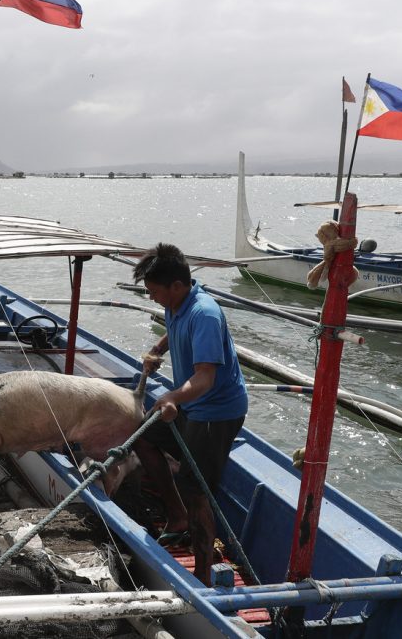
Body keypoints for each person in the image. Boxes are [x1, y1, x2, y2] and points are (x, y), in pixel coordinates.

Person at [132, 242, 248, 584]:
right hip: (191, 404)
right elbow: (174, 326)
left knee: (196, 488)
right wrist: (157, 348)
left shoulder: (205, 314)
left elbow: (205, 378)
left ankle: (202, 574)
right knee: (143, 437)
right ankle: (177, 517)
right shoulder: (177, 304)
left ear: (177, 286)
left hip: (215, 411)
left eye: (154, 291)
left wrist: (171, 396)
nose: (152, 298)